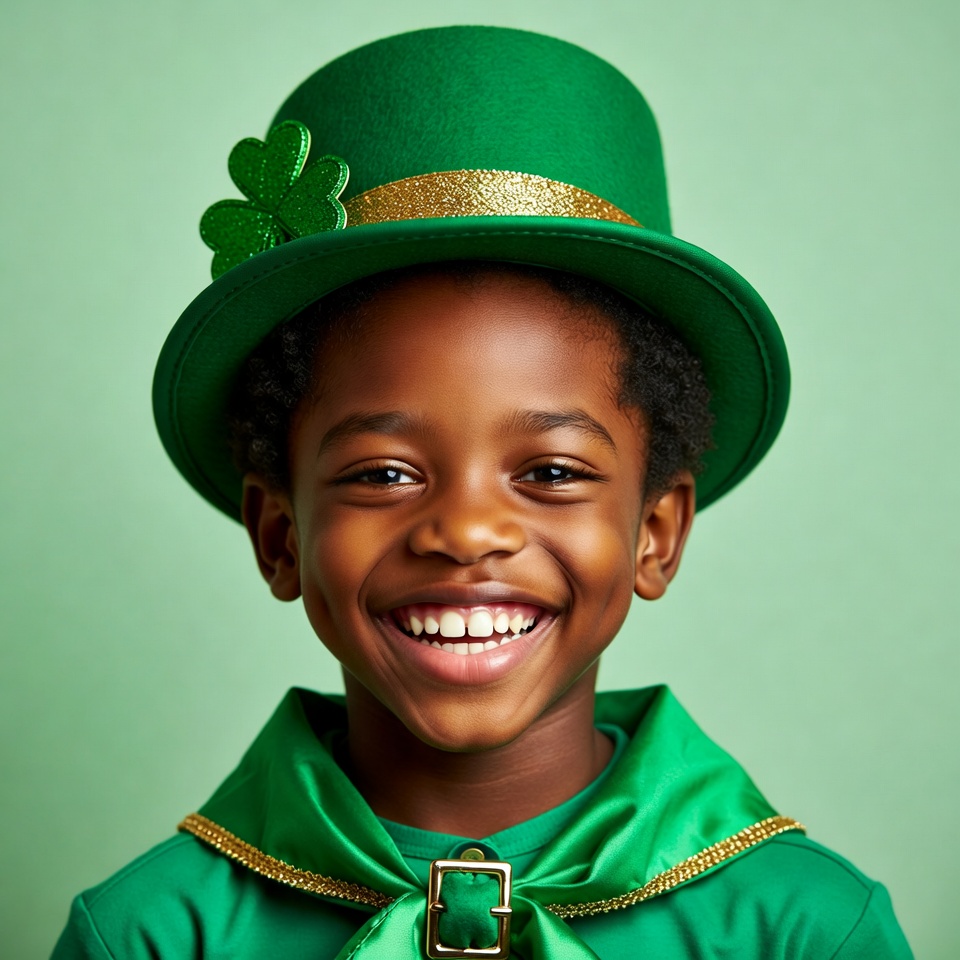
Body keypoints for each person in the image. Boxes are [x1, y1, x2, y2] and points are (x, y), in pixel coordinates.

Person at [51, 25, 913, 959]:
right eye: (383, 473)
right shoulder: (146, 934)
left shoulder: (810, 930)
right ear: (280, 535)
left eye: (550, 473)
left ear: (656, 533)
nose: (465, 531)